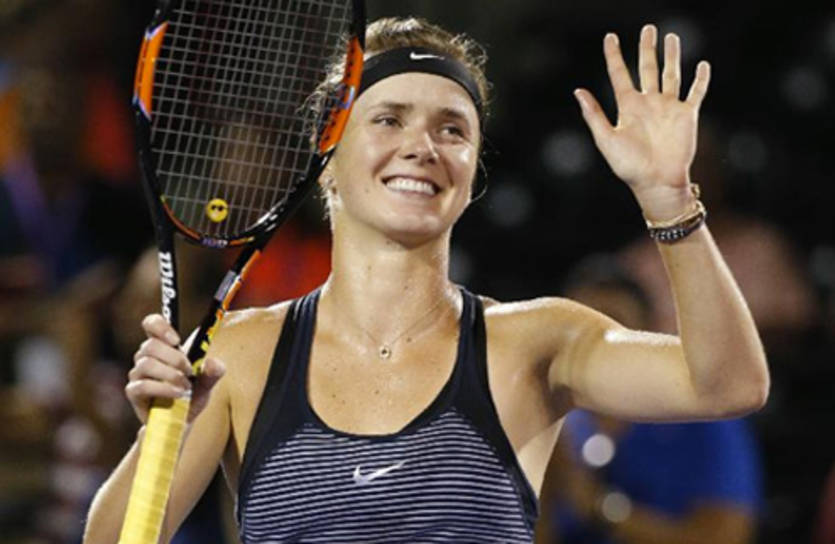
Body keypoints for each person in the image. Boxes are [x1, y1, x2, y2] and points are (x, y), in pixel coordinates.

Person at [83, 17, 770, 543]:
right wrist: (165, 434)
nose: (422, 146)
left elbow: (727, 385)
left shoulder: (537, 341)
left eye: (452, 129)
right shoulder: (237, 353)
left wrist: (667, 201)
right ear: (327, 155)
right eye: (388, 119)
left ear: (472, 172)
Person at [535, 255, 763, 544]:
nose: (593, 345)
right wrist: (546, 484)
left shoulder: (704, 416)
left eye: (612, 326)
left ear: (649, 334)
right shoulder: (545, 418)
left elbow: (726, 537)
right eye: (578, 329)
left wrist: (600, 509)